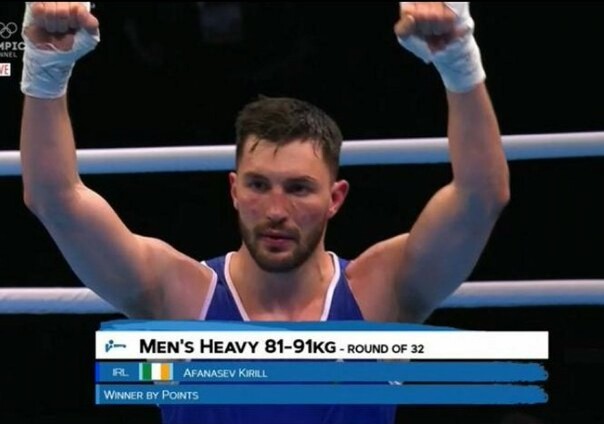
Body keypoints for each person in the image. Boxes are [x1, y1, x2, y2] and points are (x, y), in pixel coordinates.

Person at [19, 2, 509, 424]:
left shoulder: (381, 292)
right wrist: (46, 67)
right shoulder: (180, 296)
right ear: (234, 190)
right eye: (259, 185)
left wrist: (457, 61)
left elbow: (481, 197)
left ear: (335, 198)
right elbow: (54, 199)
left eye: (299, 188)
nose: (276, 210)